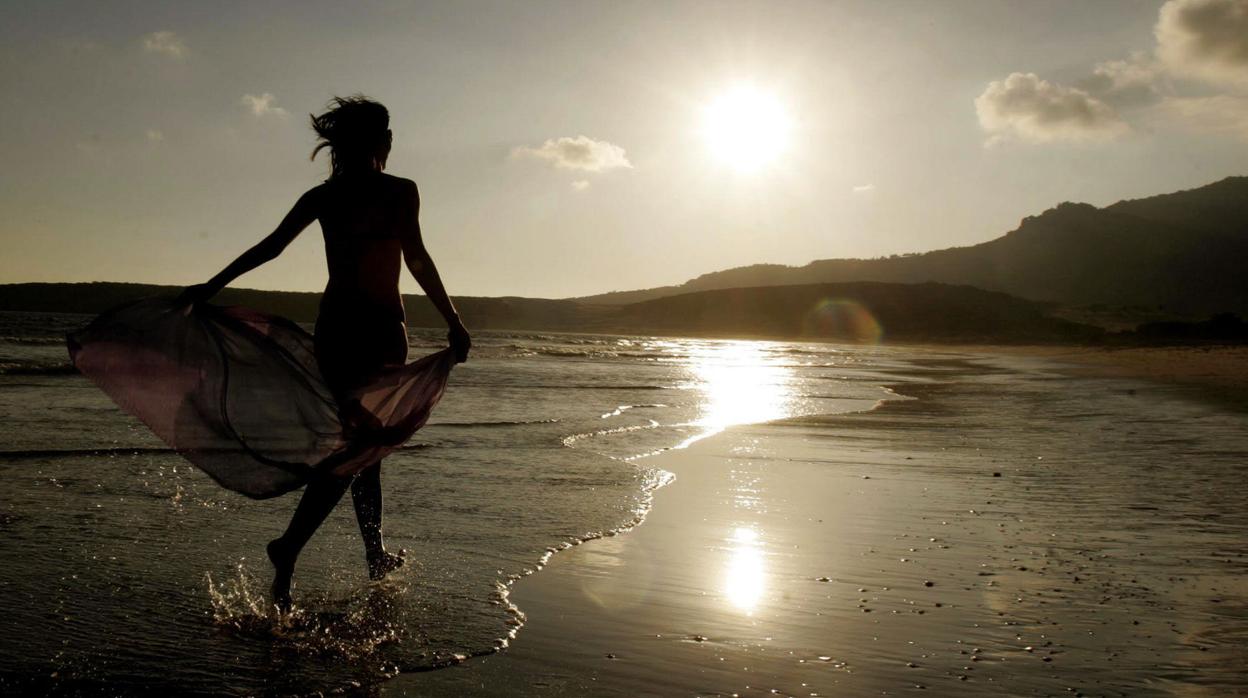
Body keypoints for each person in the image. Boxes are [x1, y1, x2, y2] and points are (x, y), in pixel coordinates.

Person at [178, 95, 471, 611]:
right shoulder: (401, 191)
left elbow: (269, 247)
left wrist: (210, 286)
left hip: (336, 329)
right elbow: (418, 259)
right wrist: (453, 322)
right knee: (358, 448)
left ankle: (374, 552)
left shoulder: (323, 196)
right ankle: (288, 546)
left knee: (366, 449)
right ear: (382, 141)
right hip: (381, 329)